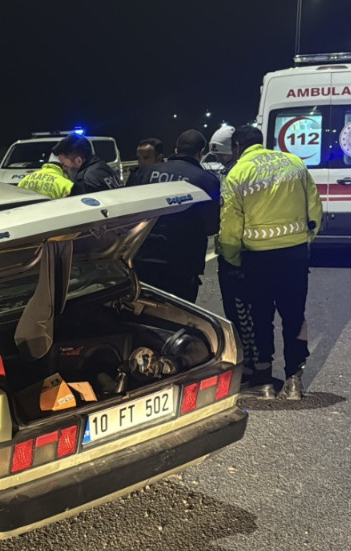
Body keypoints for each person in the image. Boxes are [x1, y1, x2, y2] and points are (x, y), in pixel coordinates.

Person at [218, 125, 322, 400]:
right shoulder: (295, 163)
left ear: (238, 147)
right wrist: (304, 240)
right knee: (294, 316)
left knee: (260, 318)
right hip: (294, 254)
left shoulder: (238, 173)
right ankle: (294, 381)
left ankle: (263, 381)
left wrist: (232, 259)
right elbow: (315, 208)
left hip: (257, 259)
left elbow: (230, 226)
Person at [126, 129, 220, 302]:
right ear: (201, 153)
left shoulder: (143, 173)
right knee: (179, 317)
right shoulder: (207, 181)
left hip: (143, 258)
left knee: (142, 311)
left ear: (176, 149)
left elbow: (127, 216)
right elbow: (211, 227)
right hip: (183, 266)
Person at [209, 123, 258, 371]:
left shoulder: (235, 175)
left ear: (234, 150)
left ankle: (247, 362)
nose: (218, 160)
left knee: (240, 312)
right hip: (256, 250)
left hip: (238, 254)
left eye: (220, 155)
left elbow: (229, 220)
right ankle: (256, 361)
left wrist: (230, 258)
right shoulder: (255, 171)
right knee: (251, 312)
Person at [52, 133, 120, 195]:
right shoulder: (103, 167)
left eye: (65, 165)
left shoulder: (84, 180)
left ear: (78, 160)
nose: (63, 169)